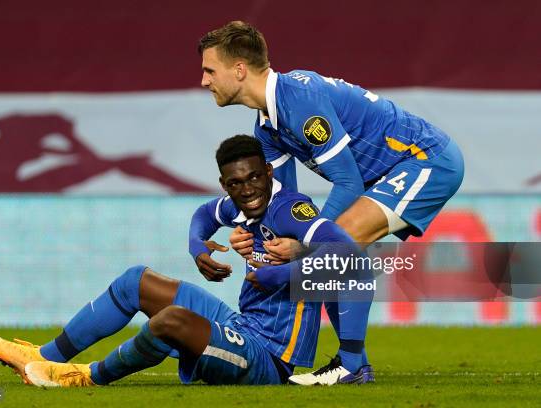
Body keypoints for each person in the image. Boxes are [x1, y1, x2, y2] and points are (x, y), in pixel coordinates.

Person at [198, 21, 465, 385]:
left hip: (425, 159)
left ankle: (352, 365)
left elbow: (348, 181)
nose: (204, 80)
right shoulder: (266, 128)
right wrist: (253, 236)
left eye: (210, 70)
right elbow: (281, 205)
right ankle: (355, 365)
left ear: (239, 70)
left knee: (335, 246)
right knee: (322, 253)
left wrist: (306, 242)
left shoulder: (299, 101)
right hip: (389, 175)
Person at [0, 135, 364, 386]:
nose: (247, 190)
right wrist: (197, 247)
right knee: (136, 281)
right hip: (241, 324)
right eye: (235, 184)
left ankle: (82, 377)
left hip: (269, 357)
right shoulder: (240, 205)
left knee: (171, 321)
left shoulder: (291, 210)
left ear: (267, 172)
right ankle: (42, 357)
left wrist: (280, 274)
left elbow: (350, 257)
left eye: (253, 178)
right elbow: (202, 216)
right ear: (224, 185)